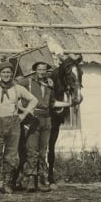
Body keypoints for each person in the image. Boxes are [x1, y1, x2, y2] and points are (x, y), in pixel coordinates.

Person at [0, 61, 39, 195]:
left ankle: (6, 184)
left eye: (8, 72)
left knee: (11, 156)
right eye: (3, 72)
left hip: (14, 124)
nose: (6, 75)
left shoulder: (18, 88)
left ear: (12, 74)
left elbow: (34, 100)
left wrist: (23, 114)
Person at [19, 60, 70, 193]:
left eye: (44, 69)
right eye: (39, 69)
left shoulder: (49, 85)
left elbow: (52, 103)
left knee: (42, 151)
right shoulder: (27, 82)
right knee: (32, 150)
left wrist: (69, 103)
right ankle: (30, 179)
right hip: (33, 119)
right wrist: (21, 108)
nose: (42, 72)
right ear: (35, 70)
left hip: (47, 119)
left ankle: (41, 180)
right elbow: (15, 89)